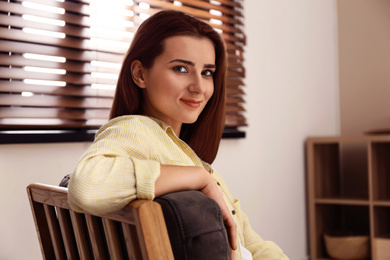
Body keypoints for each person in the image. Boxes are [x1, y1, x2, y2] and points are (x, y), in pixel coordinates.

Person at [68, 10, 288, 260]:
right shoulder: (134, 129)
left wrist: (201, 174)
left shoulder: (189, 158)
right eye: (181, 68)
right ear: (140, 74)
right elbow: (87, 184)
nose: (198, 87)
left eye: (207, 72)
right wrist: (198, 177)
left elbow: (252, 245)